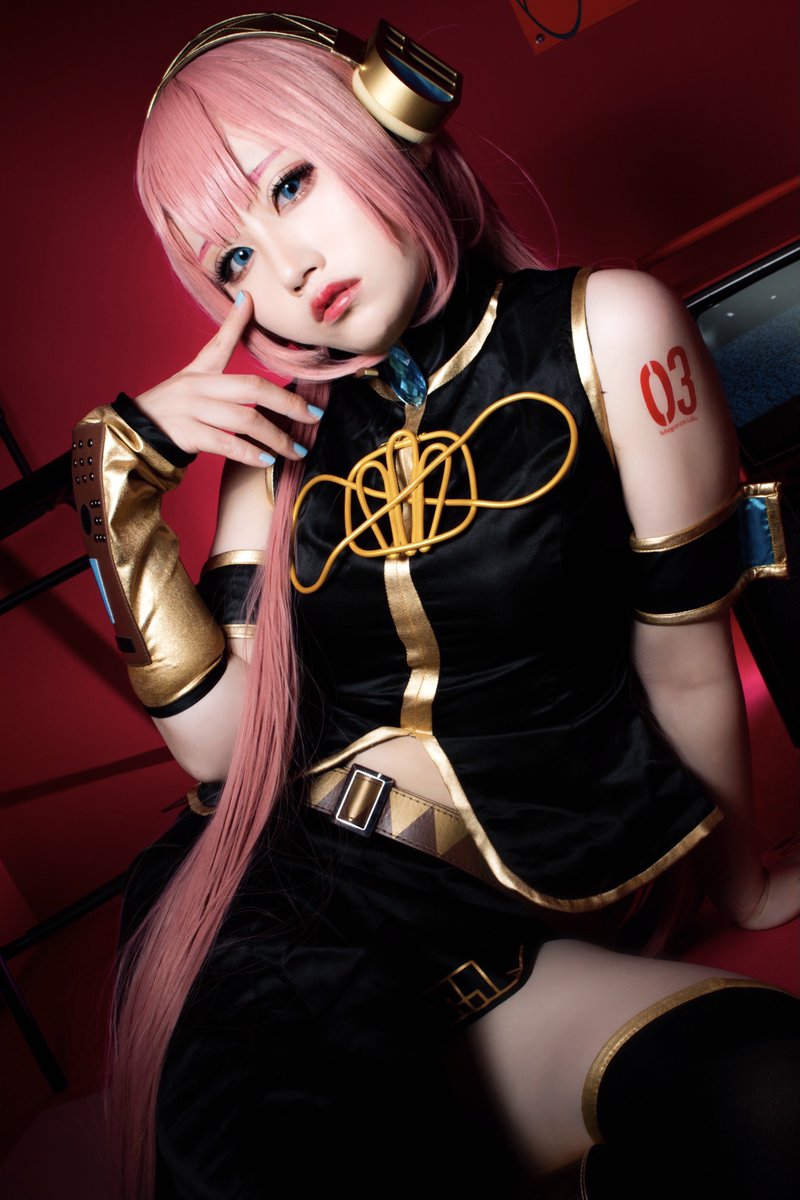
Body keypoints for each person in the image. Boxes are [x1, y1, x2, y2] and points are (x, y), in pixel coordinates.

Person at [71, 13, 800, 1199]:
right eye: (233, 260)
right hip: (279, 908)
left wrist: (738, 882)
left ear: (388, 121)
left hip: (501, 926)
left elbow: (680, 654)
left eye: (291, 184)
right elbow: (218, 748)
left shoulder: (604, 331)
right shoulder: (271, 451)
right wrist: (121, 493)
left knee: (765, 1095)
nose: (287, 268)